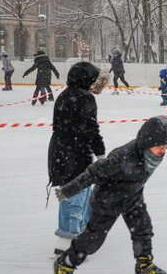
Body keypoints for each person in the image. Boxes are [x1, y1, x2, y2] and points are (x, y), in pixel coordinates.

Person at [53, 116, 167, 274]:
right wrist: (68, 191)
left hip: (133, 196)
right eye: (160, 146)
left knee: (143, 229)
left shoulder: (152, 155)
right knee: (93, 240)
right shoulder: (122, 158)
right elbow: (93, 173)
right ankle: (65, 263)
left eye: (166, 146)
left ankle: (144, 265)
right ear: (147, 142)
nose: (163, 150)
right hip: (108, 200)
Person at [48, 62, 107, 256]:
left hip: (58, 151)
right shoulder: (85, 98)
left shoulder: (64, 95)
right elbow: (90, 129)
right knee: (77, 195)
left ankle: (68, 237)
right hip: (76, 153)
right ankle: (71, 242)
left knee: (68, 193)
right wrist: (100, 153)